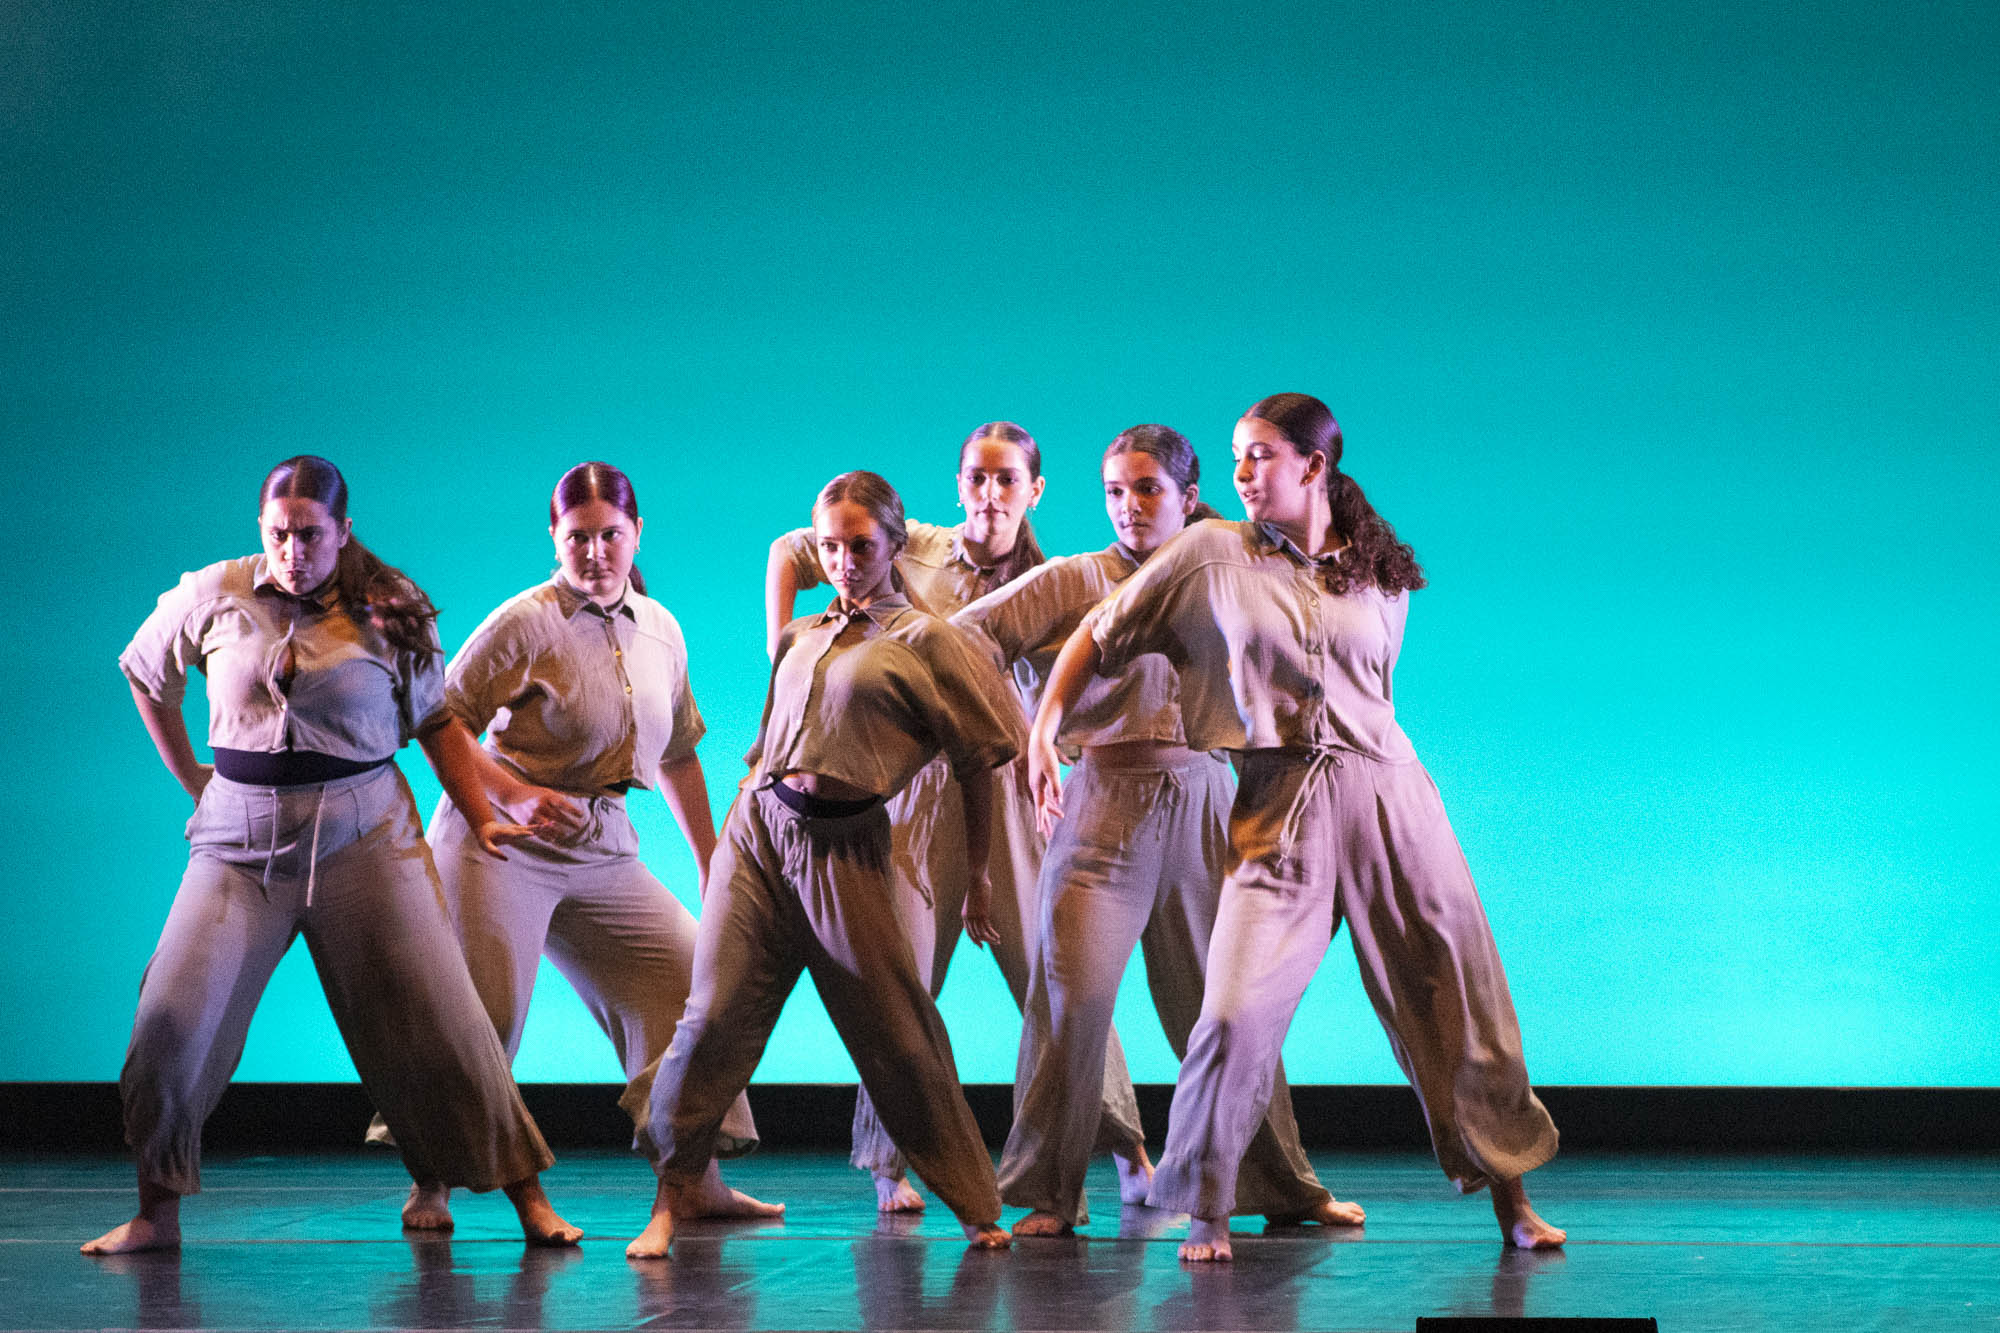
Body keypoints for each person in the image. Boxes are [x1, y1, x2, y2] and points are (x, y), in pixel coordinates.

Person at [1033, 395, 1564, 1261]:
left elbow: (1375, 693)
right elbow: (1101, 632)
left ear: (1314, 465)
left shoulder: (1380, 573)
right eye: (1236, 458)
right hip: (1281, 801)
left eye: (1260, 455)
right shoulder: (1210, 552)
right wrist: (1041, 730)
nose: (1242, 473)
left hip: (1391, 797)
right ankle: (1206, 1209)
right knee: (1233, 1011)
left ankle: (1513, 1198)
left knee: (1457, 996)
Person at [88, 456, 579, 1255]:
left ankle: (527, 1197)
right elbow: (147, 674)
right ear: (261, 529)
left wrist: (483, 814)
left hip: (365, 835)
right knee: (171, 1017)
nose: (293, 550)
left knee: (443, 1018)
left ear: (342, 530)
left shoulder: (391, 605)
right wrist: (193, 778)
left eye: (310, 534)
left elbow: (435, 722)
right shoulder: (214, 593)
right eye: (278, 534)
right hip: (239, 845)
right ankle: (156, 1213)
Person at [965, 425, 1365, 1236]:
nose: (1129, 507)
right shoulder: (1074, 578)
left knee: (1227, 1009)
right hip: (1103, 801)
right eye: (1115, 491)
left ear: (1188, 496)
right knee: (1071, 999)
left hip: (1205, 797)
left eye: (1147, 489)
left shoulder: (1225, 572)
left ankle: (1281, 1185)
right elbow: (964, 639)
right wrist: (1028, 732)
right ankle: (1049, 1191)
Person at [623, 470, 1023, 1257]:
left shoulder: (928, 640)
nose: (843, 561)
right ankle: (671, 1195)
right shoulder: (802, 635)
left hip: (845, 847)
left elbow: (980, 763)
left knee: (898, 1032)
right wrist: (739, 809)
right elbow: (771, 740)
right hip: (759, 835)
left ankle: (977, 1204)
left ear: (895, 544)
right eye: (831, 547)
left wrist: (978, 875)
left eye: (861, 546)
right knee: (711, 1019)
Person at [387, 462, 782, 1236]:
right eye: (578, 538)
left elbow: (679, 753)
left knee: (688, 981)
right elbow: (440, 719)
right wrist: (515, 794)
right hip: (499, 837)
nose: (596, 552)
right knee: (482, 1010)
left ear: (637, 534)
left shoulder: (661, 628)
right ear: (554, 538)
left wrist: (711, 861)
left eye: (611, 535)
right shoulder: (524, 621)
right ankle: (430, 1180)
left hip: (602, 845)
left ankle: (693, 1178)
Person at [765, 424, 1150, 1212]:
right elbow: (788, 552)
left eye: (1007, 480)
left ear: (1035, 490)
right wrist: (784, 657)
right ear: (959, 483)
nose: (990, 494)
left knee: (1054, 966)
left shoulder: (1050, 580)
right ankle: (888, 1158)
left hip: (1000, 787)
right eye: (977, 477)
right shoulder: (912, 545)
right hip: (911, 785)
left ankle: (1123, 1145)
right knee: (899, 971)